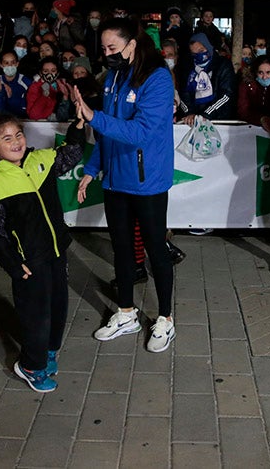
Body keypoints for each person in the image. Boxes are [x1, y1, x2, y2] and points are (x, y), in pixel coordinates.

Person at [72, 18, 177, 353]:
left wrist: (92, 116)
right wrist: (92, 168)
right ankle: (127, 312)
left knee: (156, 250)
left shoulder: (158, 79)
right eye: (103, 49)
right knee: (121, 249)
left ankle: (165, 318)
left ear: (132, 44)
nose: (106, 54)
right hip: (115, 180)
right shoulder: (114, 77)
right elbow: (108, 132)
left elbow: (140, 132)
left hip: (146, 182)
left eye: (113, 48)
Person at [0, 111, 86, 392]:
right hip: (28, 261)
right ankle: (30, 366)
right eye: (7, 138)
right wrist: (11, 264)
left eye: (19, 134)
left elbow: (71, 154)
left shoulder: (41, 160)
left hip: (57, 251)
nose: (16, 142)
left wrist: (78, 126)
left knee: (58, 305)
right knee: (36, 314)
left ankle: (49, 350)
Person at [176, 32, 237, 124]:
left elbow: (226, 94)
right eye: (194, 53)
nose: (198, 56)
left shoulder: (223, 65)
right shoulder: (188, 67)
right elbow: (184, 93)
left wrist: (206, 115)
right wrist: (189, 113)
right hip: (192, 120)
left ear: (208, 47)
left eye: (201, 51)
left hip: (218, 120)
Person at [237, 55, 270, 133]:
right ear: (255, 72)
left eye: (268, 72)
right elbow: (243, 110)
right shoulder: (247, 86)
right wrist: (261, 119)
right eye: (260, 73)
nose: (264, 77)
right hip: (250, 129)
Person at [26, 57, 74, 121]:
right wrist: (44, 96)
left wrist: (65, 96)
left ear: (58, 72)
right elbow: (33, 115)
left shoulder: (63, 85)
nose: (50, 74)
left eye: (53, 71)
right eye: (46, 71)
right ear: (40, 73)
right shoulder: (35, 87)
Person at [0, 50, 32, 119]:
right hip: (0, 121)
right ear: (1, 65)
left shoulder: (26, 82)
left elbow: (24, 110)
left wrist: (11, 97)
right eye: (6, 63)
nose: (10, 65)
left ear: (17, 64)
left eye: (13, 62)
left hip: (20, 121)